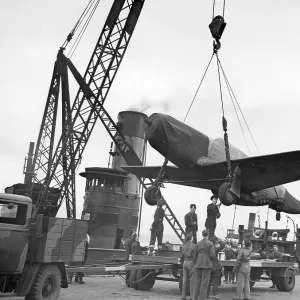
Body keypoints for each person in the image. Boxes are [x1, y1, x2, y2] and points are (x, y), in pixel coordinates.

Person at [193, 229, 215, 300]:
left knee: (197, 282)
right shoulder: (210, 243)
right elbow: (212, 255)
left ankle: (195, 298)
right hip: (207, 264)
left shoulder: (198, 243)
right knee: (204, 283)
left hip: (198, 263)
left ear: (202, 235)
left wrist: (195, 263)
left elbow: (194, 256)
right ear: (208, 235)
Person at [180, 232, 196, 300]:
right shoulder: (193, 246)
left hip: (185, 262)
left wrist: (182, 263)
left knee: (185, 280)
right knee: (192, 280)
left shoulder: (184, 246)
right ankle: (192, 296)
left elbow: (181, 257)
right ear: (191, 238)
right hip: (191, 262)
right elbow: (195, 255)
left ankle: (183, 296)